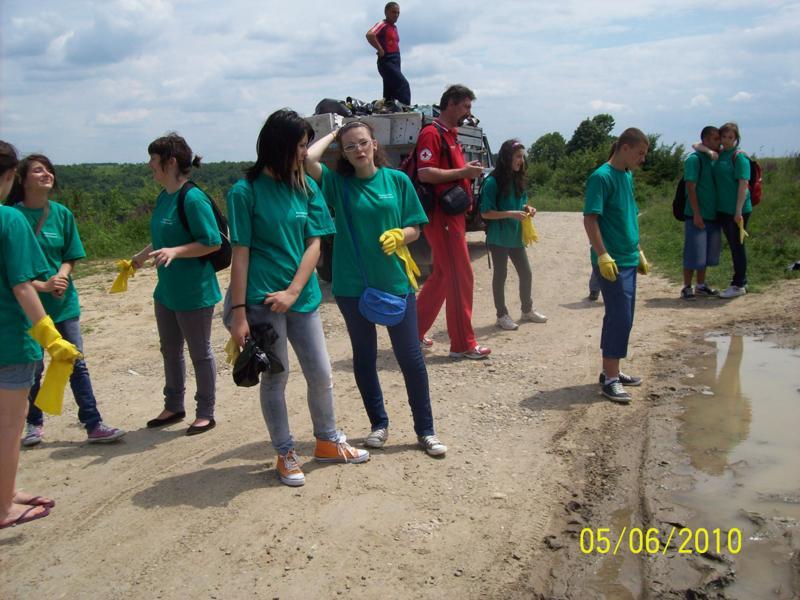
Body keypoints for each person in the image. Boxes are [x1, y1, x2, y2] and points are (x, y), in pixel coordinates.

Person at [227, 110, 369, 486]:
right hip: (262, 301)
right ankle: (285, 452)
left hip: (301, 298)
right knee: (277, 378)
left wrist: (293, 291)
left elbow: (315, 243)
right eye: (300, 146)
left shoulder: (305, 186)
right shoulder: (245, 192)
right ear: (278, 147)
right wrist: (238, 314)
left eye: (307, 145)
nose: (304, 153)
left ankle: (327, 441)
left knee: (321, 374)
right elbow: (240, 254)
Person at [305, 119, 448, 457]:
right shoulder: (339, 184)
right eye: (350, 146)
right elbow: (308, 159)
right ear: (343, 152)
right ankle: (378, 424)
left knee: (410, 357)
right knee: (365, 356)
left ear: (375, 144)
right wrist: (335, 131)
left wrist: (401, 235)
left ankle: (425, 430)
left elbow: (415, 227)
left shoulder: (397, 180)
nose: (358, 149)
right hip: (352, 285)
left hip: (395, 280)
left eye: (363, 142)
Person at [6, 155, 125, 446]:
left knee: (75, 361)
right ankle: (34, 424)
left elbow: (71, 254)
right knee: (34, 367)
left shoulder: (61, 214)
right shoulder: (12, 217)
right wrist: (42, 285)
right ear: (22, 179)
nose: (47, 174)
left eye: (49, 169)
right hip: (30, 308)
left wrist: (61, 275)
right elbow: (11, 272)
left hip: (64, 303)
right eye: (38, 170)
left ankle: (93, 424)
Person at [0, 140, 79, 529]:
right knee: (9, 428)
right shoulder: (10, 220)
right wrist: (51, 338)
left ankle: (6, 489)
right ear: (10, 176)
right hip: (10, 340)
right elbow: (22, 285)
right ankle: (4, 508)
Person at [132, 133, 221, 435]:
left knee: (200, 353)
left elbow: (211, 242)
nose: (149, 165)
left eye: (153, 159)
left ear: (170, 163)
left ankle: (205, 412)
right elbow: (163, 238)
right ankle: (173, 406)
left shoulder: (192, 198)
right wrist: (141, 256)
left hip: (194, 292)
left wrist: (176, 252)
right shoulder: (164, 196)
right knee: (170, 350)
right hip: (167, 291)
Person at [414, 84, 491, 359]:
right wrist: (463, 172)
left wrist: (466, 172)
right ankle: (463, 344)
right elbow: (425, 173)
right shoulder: (431, 133)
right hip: (442, 216)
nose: (469, 112)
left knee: (443, 275)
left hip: (452, 215)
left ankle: (412, 332)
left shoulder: (450, 134)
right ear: (450, 104)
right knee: (460, 276)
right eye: (466, 106)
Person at [583, 128, 650, 403]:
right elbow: (590, 219)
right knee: (619, 317)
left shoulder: (626, 175)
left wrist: (638, 250)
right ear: (624, 148)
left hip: (628, 257)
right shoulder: (601, 177)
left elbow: (628, 215)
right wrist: (602, 255)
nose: (642, 159)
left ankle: (611, 371)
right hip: (612, 261)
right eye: (640, 153)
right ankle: (610, 380)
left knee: (623, 317)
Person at [479, 139, 547, 330]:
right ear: (507, 157)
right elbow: (485, 213)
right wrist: (510, 214)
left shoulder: (518, 179)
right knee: (500, 276)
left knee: (526, 273)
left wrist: (527, 208)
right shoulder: (492, 182)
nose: (521, 161)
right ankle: (502, 315)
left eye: (522, 157)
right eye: (517, 156)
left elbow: (521, 203)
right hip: (499, 237)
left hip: (516, 236)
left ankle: (527, 310)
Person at [700, 122, 752, 299]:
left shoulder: (739, 157)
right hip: (723, 209)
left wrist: (738, 211)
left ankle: (739, 284)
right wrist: (709, 151)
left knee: (737, 246)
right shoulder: (721, 154)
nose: (727, 140)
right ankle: (740, 280)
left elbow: (743, 185)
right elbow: (696, 145)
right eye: (724, 137)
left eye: (731, 137)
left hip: (737, 210)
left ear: (736, 139)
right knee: (733, 245)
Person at [680, 126, 722, 300]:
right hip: (696, 214)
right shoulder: (694, 160)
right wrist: (696, 213)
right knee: (693, 251)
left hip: (713, 214)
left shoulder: (713, 158)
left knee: (705, 253)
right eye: (715, 139)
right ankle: (687, 286)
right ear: (705, 140)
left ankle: (701, 285)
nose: (719, 142)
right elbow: (690, 186)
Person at [366, 2, 411, 106]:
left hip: (395, 61)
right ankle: (406, 109)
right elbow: (370, 34)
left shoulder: (394, 27)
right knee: (403, 85)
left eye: (398, 13)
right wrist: (380, 49)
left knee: (390, 91)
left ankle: (388, 108)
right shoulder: (383, 24)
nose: (396, 15)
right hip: (387, 60)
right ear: (386, 12)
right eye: (393, 12)